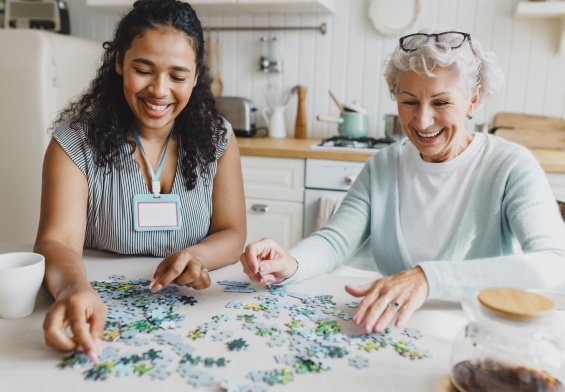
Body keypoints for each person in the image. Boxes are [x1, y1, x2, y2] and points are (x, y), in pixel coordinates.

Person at [241, 28, 565, 335]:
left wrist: (428, 278)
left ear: (473, 100)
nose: (422, 121)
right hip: (389, 331)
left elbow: (554, 263)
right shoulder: (383, 164)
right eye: (409, 102)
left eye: (441, 102)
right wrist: (292, 262)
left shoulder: (510, 165)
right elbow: (335, 240)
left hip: (479, 337)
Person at [34, 0, 246, 363]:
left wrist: (197, 256)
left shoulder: (218, 138)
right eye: (143, 70)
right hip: (102, 309)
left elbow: (232, 231)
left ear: (196, 77)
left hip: (192, 318)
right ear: (119, 62)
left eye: (178, 76)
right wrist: (73, 289)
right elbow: (57, 242)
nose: (160, 90)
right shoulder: (73, 142)